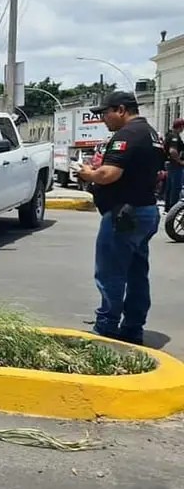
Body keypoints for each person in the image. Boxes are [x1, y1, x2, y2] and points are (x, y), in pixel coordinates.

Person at [75, 91, 165, 345]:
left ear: (122, 110)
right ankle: (133, 328)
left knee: (110, 274)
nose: (103, 119)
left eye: (106, 113)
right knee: (137, 273)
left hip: (125, 214)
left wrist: (88, 173)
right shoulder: (151, 134)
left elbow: (108, 174)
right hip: (145, 210)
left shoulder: (126, 135)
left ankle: (106, 327)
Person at [163, 118, 184, 209]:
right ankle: (174, 208)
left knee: (170, 186)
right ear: (181, 126)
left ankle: (168, 207)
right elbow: (173, 151)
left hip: (170, 164)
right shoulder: (174, 136)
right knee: (176, 187)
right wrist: (180, 161)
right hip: (175, 165)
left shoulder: (169, 135)